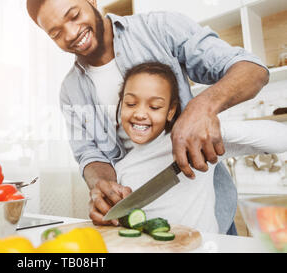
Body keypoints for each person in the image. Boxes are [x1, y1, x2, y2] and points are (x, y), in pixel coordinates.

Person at [26, 0, 269, 234]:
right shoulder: (70, 91)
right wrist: (100, 185)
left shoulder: (160, 28)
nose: (70, 33)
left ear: (91, 0)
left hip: (203, 209)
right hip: (137, 220)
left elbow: (251, 69)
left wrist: (201, 107)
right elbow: (88, 154)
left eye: (74, 15)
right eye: (56, 33)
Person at [113, 62, 287, 233]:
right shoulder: (121, 167)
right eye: (130, 103)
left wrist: (217, 131)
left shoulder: (197, 143)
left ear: (171, 111)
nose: (140, 114)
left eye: (155, 106)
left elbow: (281, 138)